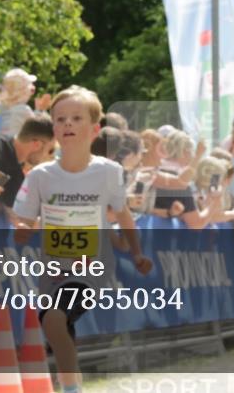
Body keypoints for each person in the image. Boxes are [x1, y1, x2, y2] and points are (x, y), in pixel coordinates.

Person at [13, 86, 152, 393]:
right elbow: (24, 220)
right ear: (53, 129)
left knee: (54, 320)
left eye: (76, 118)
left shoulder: (109, 172)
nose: (68, 124)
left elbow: (123, 213)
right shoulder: (39, 176)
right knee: (59, 326)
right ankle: (71, 386)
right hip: (53, 272)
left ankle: (70, 389)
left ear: (94, 129)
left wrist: (137, 252)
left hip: (92, 271)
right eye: (60, 119)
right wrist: (24, 230)